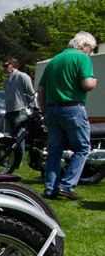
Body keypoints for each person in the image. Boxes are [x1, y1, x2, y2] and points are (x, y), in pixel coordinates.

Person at [37, 31, 98, 200]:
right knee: (83, 148)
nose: (90, 53)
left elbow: (40, 90)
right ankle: (66, 185)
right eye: (91, 49)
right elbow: (86, 84)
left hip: (52, 110)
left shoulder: (54, 61)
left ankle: (50, 188)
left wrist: (44, 112)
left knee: (54, 151)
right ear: (84, 45)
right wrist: (94, 82)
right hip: (73, 108)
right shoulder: (82, 58)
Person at [2, 57, 35, 135]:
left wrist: (31, 106)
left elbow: (31, 93)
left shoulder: (22, 76)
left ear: (12, 64)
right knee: (9, 137)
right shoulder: (6, 81)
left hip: (20, 111)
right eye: (3, 66)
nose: (4, 68)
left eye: (6, 65)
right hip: (9, 111)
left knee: (19, 137)